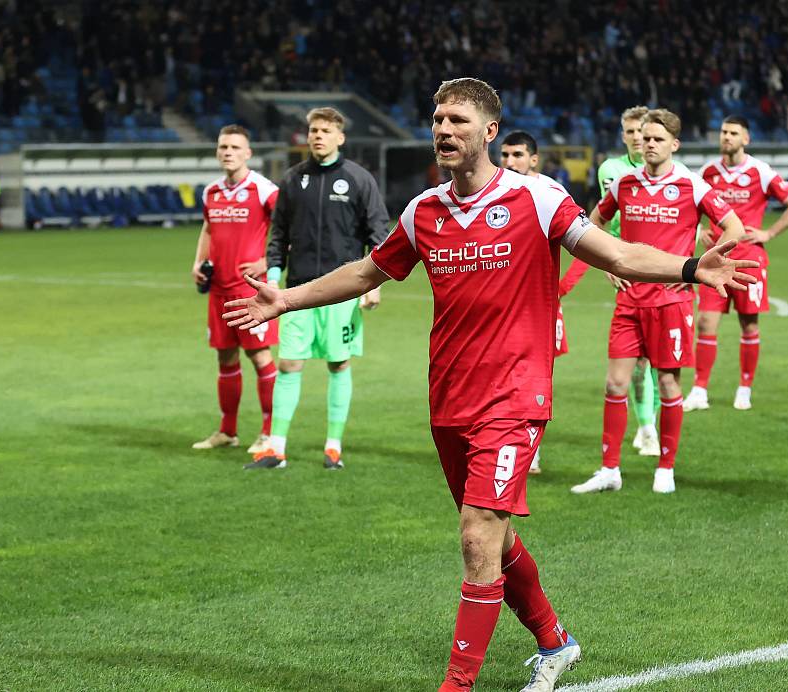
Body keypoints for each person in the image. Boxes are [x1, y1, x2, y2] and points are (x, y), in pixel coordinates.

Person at [221, 76, 756, 692]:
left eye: (457, 121)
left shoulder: (538, 198)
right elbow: (371, 269)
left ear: (490, 131)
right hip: (449, 397)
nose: (443, 130)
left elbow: (616, 255)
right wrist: (285, 299)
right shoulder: (423, 212)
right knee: (495, 539)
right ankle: (555, 642)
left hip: (515, 394)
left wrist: (691, 268)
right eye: (437, 119)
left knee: (477, 533)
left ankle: (458, 683)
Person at [571, 108, 744, 496]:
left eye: (657, 139)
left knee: (667, 384)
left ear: (674, 145)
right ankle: (609, 469)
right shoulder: (624, 183)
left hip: (671, 301)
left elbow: (734, 226)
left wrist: (705, 263)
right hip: (629, 301)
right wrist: (606, 264)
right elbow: (592, 224)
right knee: (615, 382)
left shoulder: (692, 185)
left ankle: (665, 467)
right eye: (644, 138)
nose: (647, 144)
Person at [254, 107, 390, 470]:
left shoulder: (359, 180)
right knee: (288, 364)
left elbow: (379, 235)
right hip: (296, 290)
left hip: (341, 291)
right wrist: (272, 280)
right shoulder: (292, 180)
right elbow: (278, 235)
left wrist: (373, 284)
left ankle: (333, 447)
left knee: (338, 363)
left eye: (326, 131)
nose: (318, 136)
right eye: (314, 130)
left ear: (340, 137)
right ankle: (276, 449)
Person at [685, 115, 788, 411]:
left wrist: (770, 232)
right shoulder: (708, 171)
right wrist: (699, 229)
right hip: (715, 260)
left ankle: (745, 387)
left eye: (733, 133)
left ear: (746, 139)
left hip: (749, 260)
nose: (726, 137)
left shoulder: (760, 171)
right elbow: (693, 206)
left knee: (749, 325)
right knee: (705, 323)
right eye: (724, 132)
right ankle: (700, 390)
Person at [561, 106, 662, 457]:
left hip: (655, 265)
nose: (637, 137)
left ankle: (650, 425)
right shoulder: (613, 171)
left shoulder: (668, 173)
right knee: (636, 364)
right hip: (620, 261)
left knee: (656, 363)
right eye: (631, 131)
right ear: (623, 135)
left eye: (643, 132)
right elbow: (600, 219)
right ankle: (648, 428)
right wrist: (609, 264)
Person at [190, 125, 281, 455]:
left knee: (260, 358)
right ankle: (227, 431)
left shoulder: (264, 189)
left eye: (234, 147)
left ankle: (270, 432)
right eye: (222, 146)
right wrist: (198, 262)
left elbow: (287, 229)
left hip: (252, 293)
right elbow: (207, 229)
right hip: (219, 291)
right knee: (225, 358)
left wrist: (265, 261)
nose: (227, 151)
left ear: (248, 153)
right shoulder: (211, 192)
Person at [500, 130, 564, 474]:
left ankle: (530, 451)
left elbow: (580, 240)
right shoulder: (492, 190)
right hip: (503, 308)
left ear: (533, 159)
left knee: (536, 378)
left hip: (540, 308)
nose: (510, 162)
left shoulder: (550, 192)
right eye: (505, 155)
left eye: (518, 155)